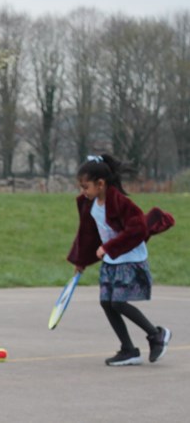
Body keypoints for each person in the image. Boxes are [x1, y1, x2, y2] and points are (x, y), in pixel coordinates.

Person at [67, 154, 174, 366]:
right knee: (106, 303)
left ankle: (156, 334)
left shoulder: (122, 203)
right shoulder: (89, 204)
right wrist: (81, 260)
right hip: (111, 261)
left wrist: (109, 247)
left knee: (118, 302)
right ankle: (128, 350)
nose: (82, 191)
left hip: (130, 259)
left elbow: (138, 229)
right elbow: (87, 234)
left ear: (100, 184)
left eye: (85, 186)